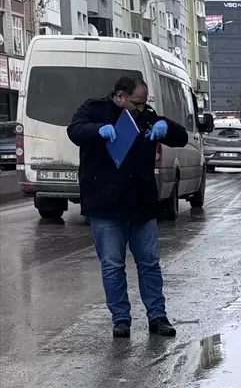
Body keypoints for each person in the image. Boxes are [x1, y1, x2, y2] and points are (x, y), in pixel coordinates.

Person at [67, 75, 189, 339]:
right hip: (106, 205)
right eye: (136, 102)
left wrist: (164, 127)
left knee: (150, 264)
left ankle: (157, 316)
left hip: (141, 203)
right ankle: (121, 319)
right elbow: (75, 131)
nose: (141, 108)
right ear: (120, 96)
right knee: (112, 265)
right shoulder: (94, 109)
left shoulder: (147, 117)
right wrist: (98, 131)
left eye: (144, 103)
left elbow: (181, 137)